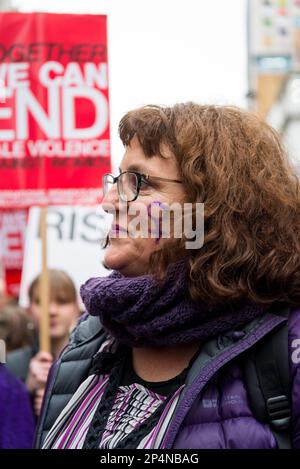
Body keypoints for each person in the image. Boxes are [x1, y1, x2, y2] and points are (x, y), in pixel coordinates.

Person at [36, 103, 300, 449]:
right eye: (117, 180)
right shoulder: (87, 340)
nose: (109, 201)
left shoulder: (285, 343)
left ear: (215, 210)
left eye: (140, 183)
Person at [6, 269, 80, 416]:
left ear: (76, 309)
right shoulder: (10, 365)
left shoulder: (93, 364)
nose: (52, 311)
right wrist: (25, 391)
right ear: (28, 310)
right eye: (42, 302)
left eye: (62, 301)